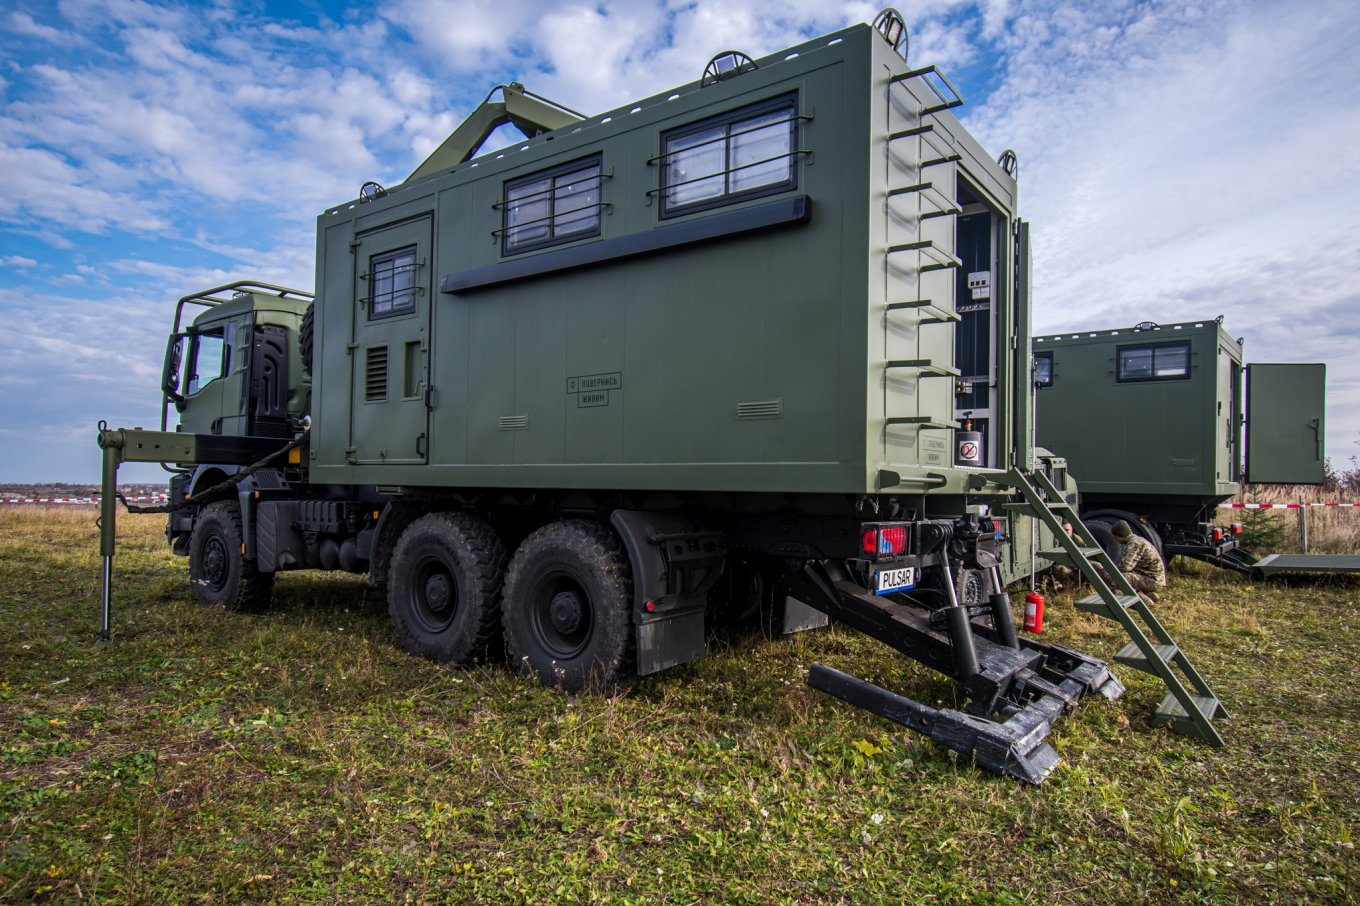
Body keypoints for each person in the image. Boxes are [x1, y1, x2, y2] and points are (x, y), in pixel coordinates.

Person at [1110, 519, 1165, 603]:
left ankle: (1144, 600)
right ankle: (1148, 595)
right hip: (1151, 577)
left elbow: (1126, 566)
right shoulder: (1135, 540)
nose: (1115, 539)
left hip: (1153, 581)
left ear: (1121, 535)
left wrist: (1110, 571)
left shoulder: (1134, 544)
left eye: (1115, 537)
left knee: (1119, 578)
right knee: (1127, 576)